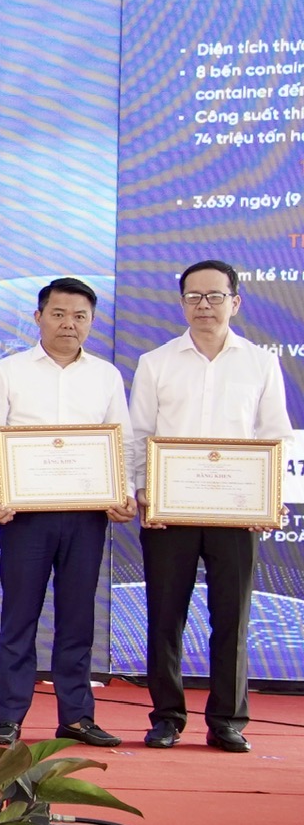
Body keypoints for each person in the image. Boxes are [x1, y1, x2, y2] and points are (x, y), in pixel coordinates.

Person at [127, 260, 296, 753]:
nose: (204, 305)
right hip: (169, 510)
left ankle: (227, 720)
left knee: (232, 618)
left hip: (236, 512)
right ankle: (166, 717)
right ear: (182, 303)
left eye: (215, 296)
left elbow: (276, 436)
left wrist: (270, 497)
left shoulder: (259, 363)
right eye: (194, 296)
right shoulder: (156, 362)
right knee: (165, 617)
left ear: (235, 302)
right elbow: (139, 435)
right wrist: (142, 490)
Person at [0, 278, 136, 748]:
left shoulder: (106, 375)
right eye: (59, 314)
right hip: (25, 514)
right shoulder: (7, 372)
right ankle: (9, 717)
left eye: (80, 316)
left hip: (87, 514)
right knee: (19, 616)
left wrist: (123, 491)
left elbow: (122, 440)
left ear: (91, 321)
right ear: (39, 317)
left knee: (78, 617)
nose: (69, 324)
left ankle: (77, 716)